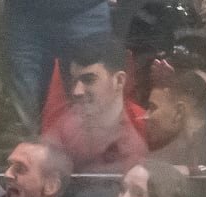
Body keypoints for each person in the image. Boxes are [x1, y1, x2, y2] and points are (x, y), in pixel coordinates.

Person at [42, 37, 146, 176]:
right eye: (74, 81)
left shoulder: (144, 125)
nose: (77, 91)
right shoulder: (68, 124)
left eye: (89, 80)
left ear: (119, 81)